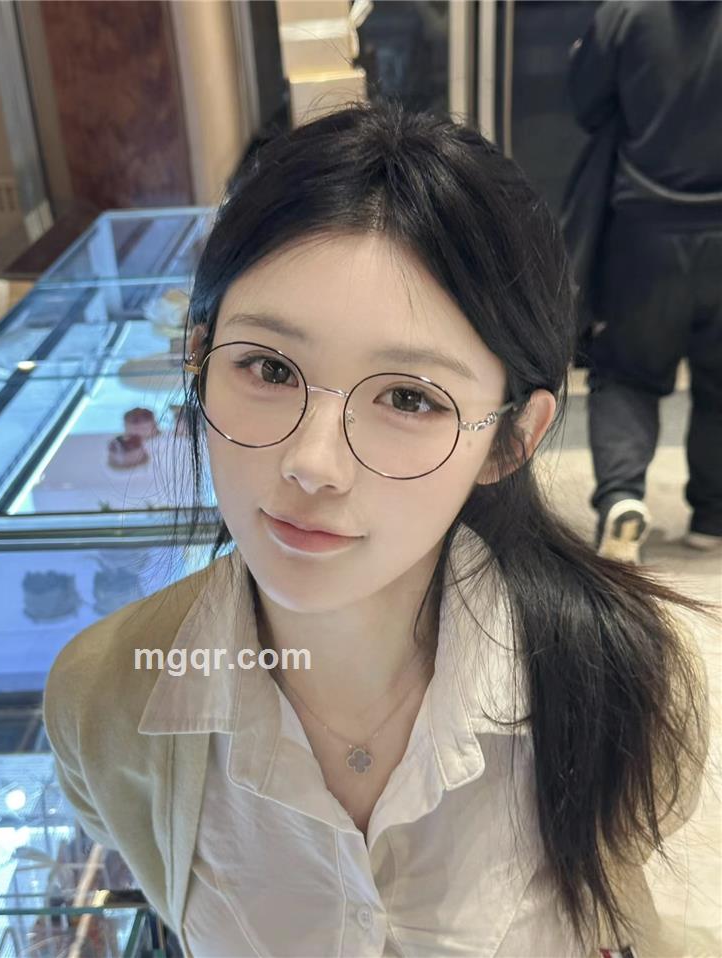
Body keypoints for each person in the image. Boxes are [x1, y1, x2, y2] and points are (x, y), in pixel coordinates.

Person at [43, 99, 712, 957]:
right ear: (200, 361)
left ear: (512, 438)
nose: (312, 463)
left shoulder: (630, 678)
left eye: (408, 397)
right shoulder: (104, 701)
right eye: (269, 368)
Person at [567, 0, 722, 564]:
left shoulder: (627, 11)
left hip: (643, 232)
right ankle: (712, 518)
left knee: (625, 372)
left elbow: (587, 104)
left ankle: (622, 498)